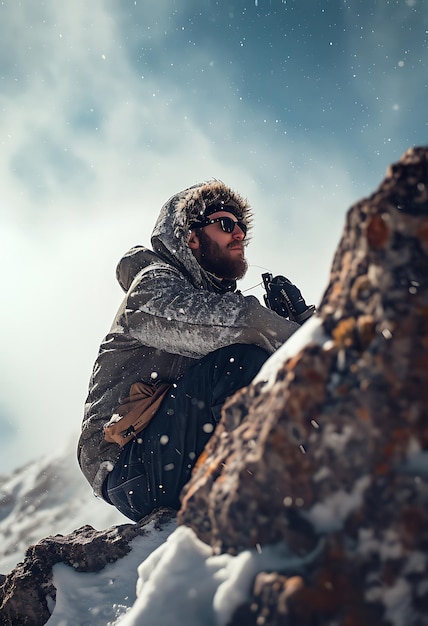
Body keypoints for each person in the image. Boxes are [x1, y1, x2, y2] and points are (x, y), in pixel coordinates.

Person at [78, 180, 313, 522]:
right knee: (242, 363)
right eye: (226, 224)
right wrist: (310, 338)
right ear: (190, 236)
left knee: (285, 379)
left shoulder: (214, 300)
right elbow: (240, 324)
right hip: (129, 466)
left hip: (176, 453)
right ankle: (273, 502)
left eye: (242, 228)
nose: (239, 235)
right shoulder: (153, 282)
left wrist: (301, 320)